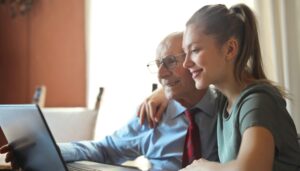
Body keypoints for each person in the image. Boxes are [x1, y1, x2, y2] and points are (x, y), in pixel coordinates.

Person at [0, 32, 219, 171]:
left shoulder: (228, 107)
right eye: (158, 64)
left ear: (195, 61)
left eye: (170, 61)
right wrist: (47, 149)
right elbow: (105, 149)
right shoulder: (153, 114)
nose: (160, 73)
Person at [139, 3, 300, 171]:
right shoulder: (225, 101)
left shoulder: (258, 102)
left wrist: (202, 167)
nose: (186, 63)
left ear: (230, 49)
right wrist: (164, 93)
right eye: (185, 53)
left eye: (194, 50)